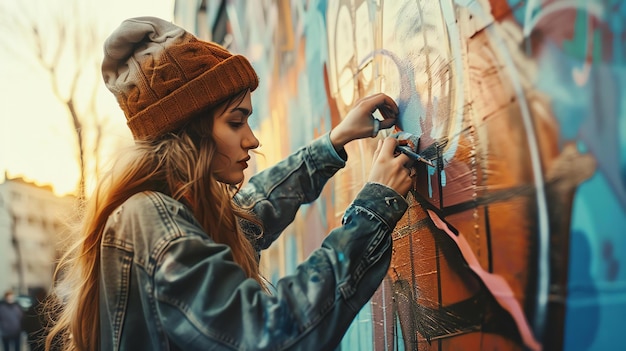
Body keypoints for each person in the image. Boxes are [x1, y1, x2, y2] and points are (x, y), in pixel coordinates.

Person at [44, 16, 415, 351]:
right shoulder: (149, 219)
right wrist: (373, 208)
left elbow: (251, 214)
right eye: (236, 122)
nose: (252, 139)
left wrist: (335, 140)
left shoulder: (166, 210)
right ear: (190, 131)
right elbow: (269, 336)